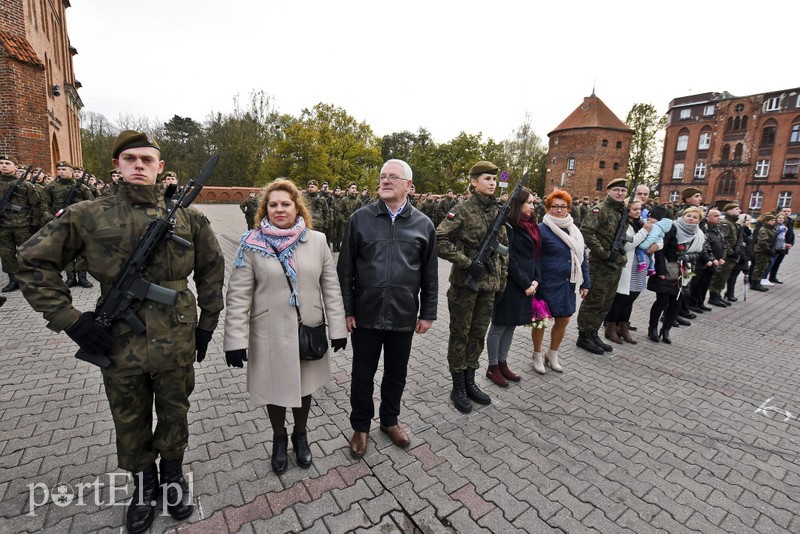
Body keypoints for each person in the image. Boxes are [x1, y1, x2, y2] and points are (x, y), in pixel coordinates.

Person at [16, 130, 225, 533]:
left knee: (174, 412)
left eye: (147, 160)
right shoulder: (88, 214)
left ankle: (174, 478)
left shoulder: (189, 217)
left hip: (177, 336)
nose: (139, 165)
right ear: (117, 166)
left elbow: (213, 273)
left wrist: (207, 326)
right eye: (130, 159)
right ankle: (143, 487)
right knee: (128, 417)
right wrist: (69, 319)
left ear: (160, 167)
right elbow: (30, 261)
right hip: (119, 339)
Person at [224, 179, 347, 474]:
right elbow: (239, 294)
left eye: (286, 204)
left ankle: (300, 435)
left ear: (297, 208)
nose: (279, 209)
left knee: (304, 388)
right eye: (273, 204)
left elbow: (330, 286)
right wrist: (234, 340)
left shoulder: (316, 241)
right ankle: (279, 439)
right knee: (274, 389)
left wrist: (338, 328)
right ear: (265, 209)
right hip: (268, 333)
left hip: (308, 330)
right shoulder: (251, 243)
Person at [338, 159, 437, 457]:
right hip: (366, 313)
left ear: (408, 185)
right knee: (362, 375)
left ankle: (390, 421)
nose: (385, 181)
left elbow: (429, 273)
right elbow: (345, 271)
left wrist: (428, 313)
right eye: (382, 176)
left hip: (403, 315)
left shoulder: (423, 224)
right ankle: (361, 427)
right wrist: (347, 309)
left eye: (393, 177)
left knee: (396, 373)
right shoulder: (360, 219)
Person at [437, 161, 508, 413]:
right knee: (460, 335)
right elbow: (440, 239)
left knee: (478, 335)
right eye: (486, 178)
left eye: (493, 179)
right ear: (474, 181)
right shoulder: (463, 209)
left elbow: (504, 251)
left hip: (489, 286)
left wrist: (502, 282)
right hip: (465, 287)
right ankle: (457, 385)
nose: (491, 183)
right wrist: (466, 263)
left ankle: (470, 381)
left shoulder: (498, 210)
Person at [485, 187, 541, 387]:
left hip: (527, 283)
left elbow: (536, 255)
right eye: (529, 202)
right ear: (518, 204)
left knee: (511, 325)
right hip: (511, 283)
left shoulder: (532, 225)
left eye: (534, 203)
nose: (533, 206)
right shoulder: (509, 226)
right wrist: (526, 283)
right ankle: (492, 367)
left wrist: (536, 279)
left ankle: (502, 362)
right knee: (499, 325)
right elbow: (510, 257)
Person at [533, 190, 590, 372]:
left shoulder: (574, 230)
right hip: (545, 283)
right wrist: (534, 281)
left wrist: (585, 282)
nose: (559, 210)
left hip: (567, 283)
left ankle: (553, 353)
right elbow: (533, 258)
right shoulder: (541, 229)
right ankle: (537, 355)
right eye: (555, 206)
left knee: (564, 319)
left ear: (568, 208)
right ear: (548, 208)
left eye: (563, 207)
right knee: (540, 320)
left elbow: (582, 258)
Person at [575, 178, 629, 355]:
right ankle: (584, 336)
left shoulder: (621, 211)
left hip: (615, 264)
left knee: (606, 301)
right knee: (594, 300)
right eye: (616, 190)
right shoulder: (600, 210)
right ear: (609, 191)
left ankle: (593, 333)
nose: (620, 193)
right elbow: (587, 232)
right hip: (600, 263)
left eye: (623, 190)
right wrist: (603, 253)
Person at [647, 206, 706, 344]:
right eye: (688, 215)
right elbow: (661, 250)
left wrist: (689, 257)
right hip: (667, 269)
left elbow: (699, 253)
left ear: (699, 220)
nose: (690, 219)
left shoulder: (699, 235)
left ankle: (666, 330)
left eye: (694, 217)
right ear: (683, 215)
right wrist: (660, 270)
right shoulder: (672, 228)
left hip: (685, 272)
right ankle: (653, 328)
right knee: (662, 301)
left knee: (676, 302)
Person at [604, 200, 651, 344]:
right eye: (634, 209)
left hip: (639, 268)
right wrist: (645, 231)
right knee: (621, 299)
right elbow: (629, 245)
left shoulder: (639, 223)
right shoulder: (625, 224)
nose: (638, 211)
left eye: (639, 209)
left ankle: (624, 327)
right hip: (627, 266)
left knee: (631, 298)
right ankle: (611, 327)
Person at [43, 160, 95, 288]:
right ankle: (70, 277)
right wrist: (51, 218)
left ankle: (82, 277)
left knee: (82, 250)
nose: (61, 172)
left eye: (64, 169)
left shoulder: (82, 188)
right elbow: (44, 205)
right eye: (59, 170)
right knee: (65, 249)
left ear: (71, 172)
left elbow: (92, 206)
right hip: (61, 223)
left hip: (79, 224)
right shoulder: (51, 187)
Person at [0, 154, 42, 293]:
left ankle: (30, 280)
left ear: (15, 167)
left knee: (27, 253)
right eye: (1, 163)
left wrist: (34, 224)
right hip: (3, 226)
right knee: (6, 254)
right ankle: (13, 280)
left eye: (7, 163)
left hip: (23, 225)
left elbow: (36, 205)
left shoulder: (26, 185)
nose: (4, 165)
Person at [707, 203, 742, 307]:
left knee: (724, 277)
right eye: (736, 209)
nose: (739, 211)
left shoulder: (733, 223)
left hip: (729, 255)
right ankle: (713, 296)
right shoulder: (726, 223)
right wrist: (731, 252)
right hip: (726, 255)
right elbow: (724, 240)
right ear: (729, 211)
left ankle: (717, 295)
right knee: (720, 276)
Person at [750, 213, 776, 292]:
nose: (774, 222)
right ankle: (755, 283)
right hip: (762, 251)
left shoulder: (771, 229)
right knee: (759, 268)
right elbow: (763, 242)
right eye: (772, 220)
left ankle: (757, 282)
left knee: (763, 267)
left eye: (774, 220)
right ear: (766, 221)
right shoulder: (764, 229)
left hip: (766, 251)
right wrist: (768, 250)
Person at [761, 212, 789, 286]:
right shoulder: (775, 226)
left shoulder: (783, 226)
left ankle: (765, 278)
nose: (781, 219)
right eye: (779, 218)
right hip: (773, 246)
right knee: (770, 262)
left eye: (783, 218)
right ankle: (763, 278)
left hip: (780, 247)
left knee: (773, 263)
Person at [767, 207, 794, 284]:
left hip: (786, 245)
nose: (787, 212)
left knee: (778, 262)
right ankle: (765, 277)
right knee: (772, 261)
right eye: (785, 211)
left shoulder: (790, 221)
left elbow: (791, 233)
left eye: (788, 211)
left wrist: (791, 243)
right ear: (780, 212)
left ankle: (773, 277)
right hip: (778, 245)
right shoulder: (777, 222)